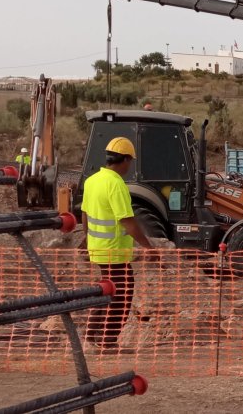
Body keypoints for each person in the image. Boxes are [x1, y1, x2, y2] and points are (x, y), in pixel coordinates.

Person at [81, 136, 156, 354]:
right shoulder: (116, 185)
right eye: (129, 161)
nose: (130, 165)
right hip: (114, 252)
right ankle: (107, 341)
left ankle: (90, 338)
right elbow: (128, 222)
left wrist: (88, 242)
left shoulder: (92, 181)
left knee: (106, 292)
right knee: (121, 296)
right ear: (123, 160)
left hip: (99, 249)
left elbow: (84, 216)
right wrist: (149, 247)